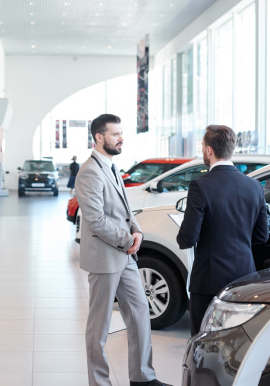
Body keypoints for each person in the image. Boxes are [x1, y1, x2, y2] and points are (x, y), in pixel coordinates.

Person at [76, 114, 170, 386]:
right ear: (99, 137)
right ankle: (99, 382)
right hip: (105, 258)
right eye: (115, 134)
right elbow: (95, 220)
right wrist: (129, 240)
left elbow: (124, 210)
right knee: (99, 328)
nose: (121, 138)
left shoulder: (112, 166)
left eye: (121, 133)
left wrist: (137, 229)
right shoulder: (90, 171)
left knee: (140, 314)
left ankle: (143, 377)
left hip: (125, 256)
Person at [176, 125, 268, 336]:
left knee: (204, 340)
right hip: (245, 275)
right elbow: (262, 236)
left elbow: (188, 238)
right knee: (236, 339)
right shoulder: (254, 186)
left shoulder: (200, 186)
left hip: (208, 280)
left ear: (209, 150)